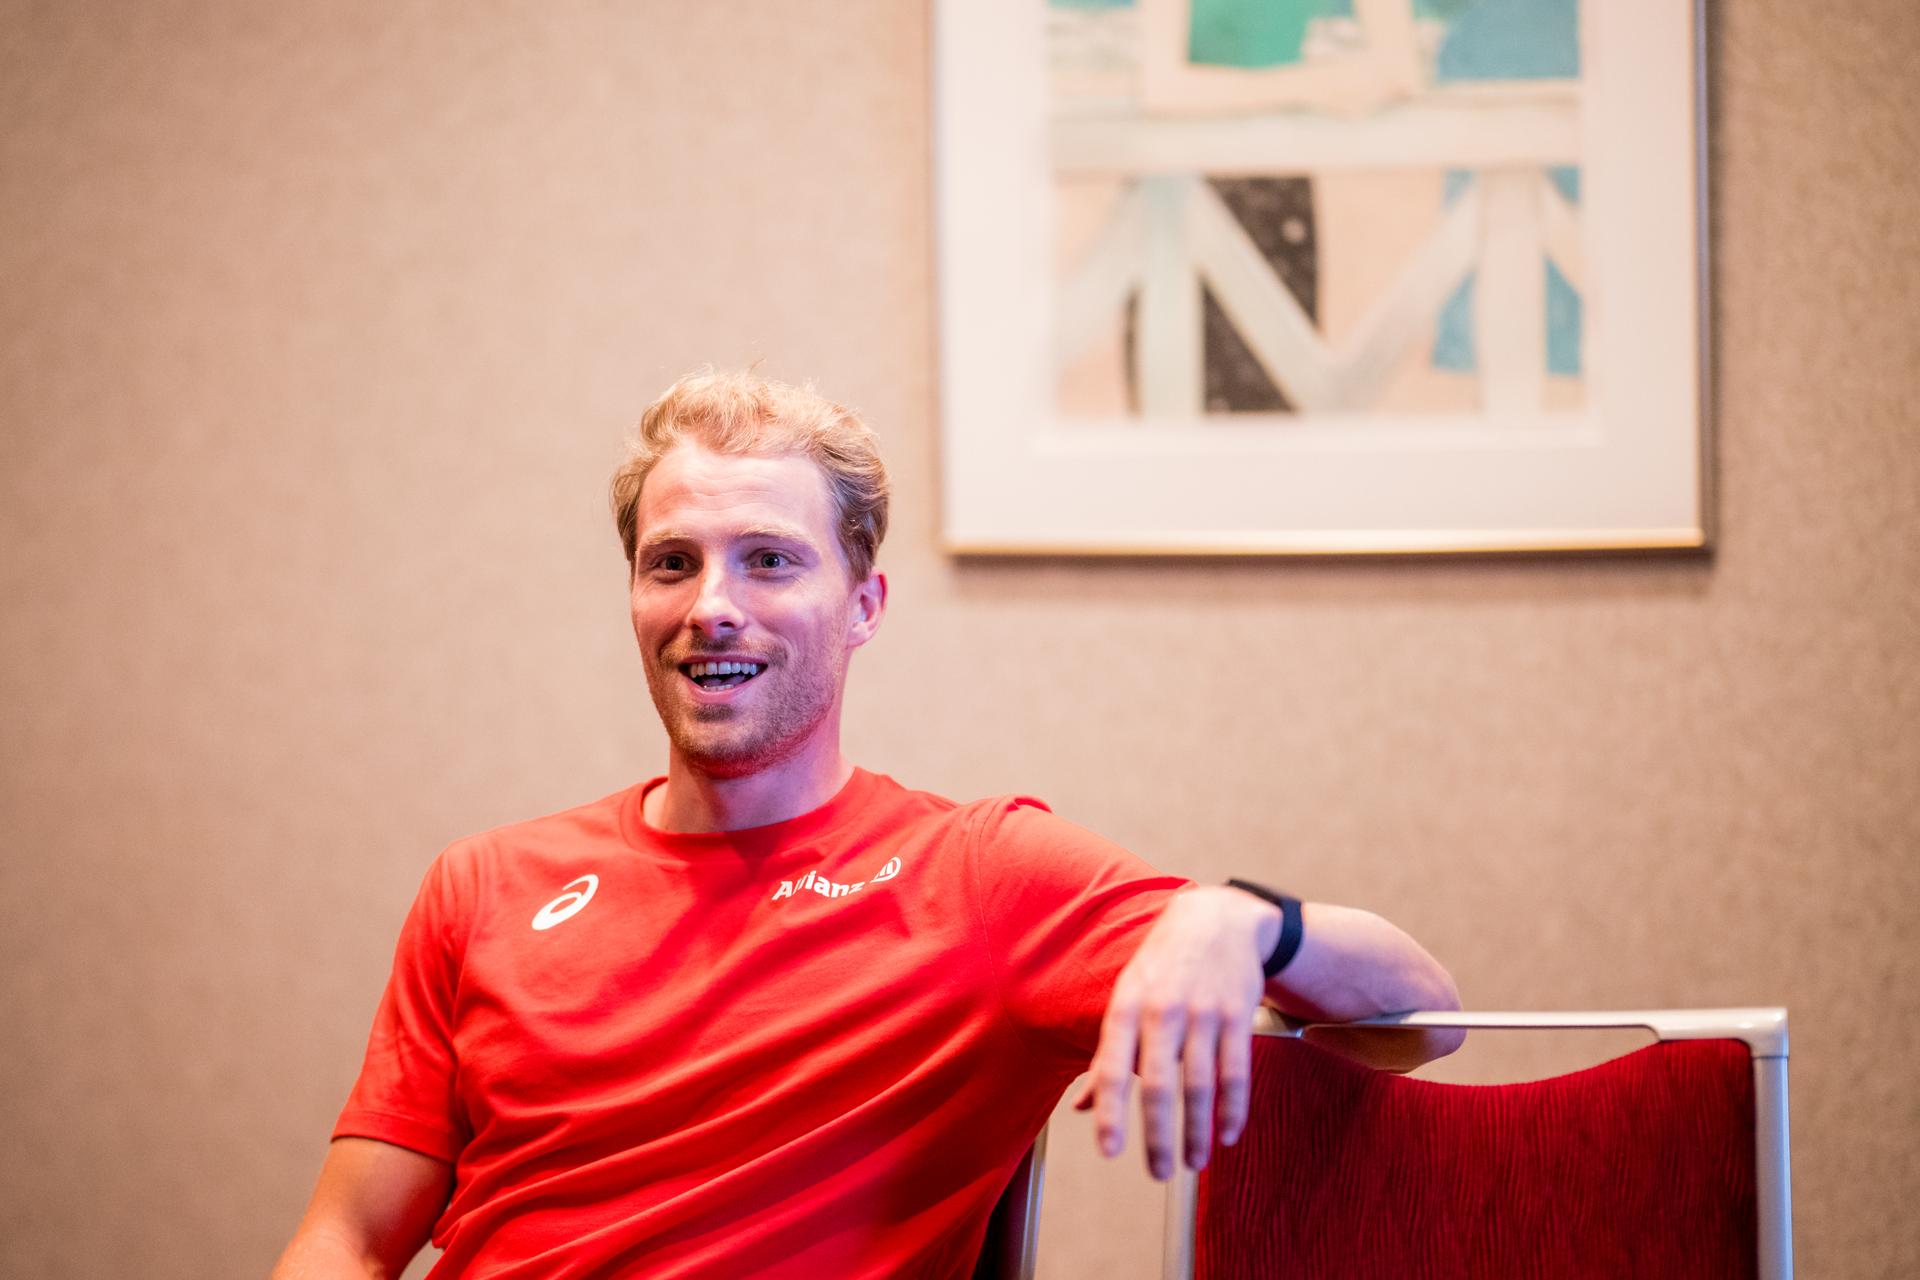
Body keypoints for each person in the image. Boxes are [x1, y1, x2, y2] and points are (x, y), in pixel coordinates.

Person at [272, 370, 1461, 1279]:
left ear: (863, 605)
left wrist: (1242, 920)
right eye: (672, 562)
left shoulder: (979, 876)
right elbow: (350, 1236)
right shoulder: (485, 882)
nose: (712, 606)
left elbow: (1425, 1018)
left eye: (770, 560)